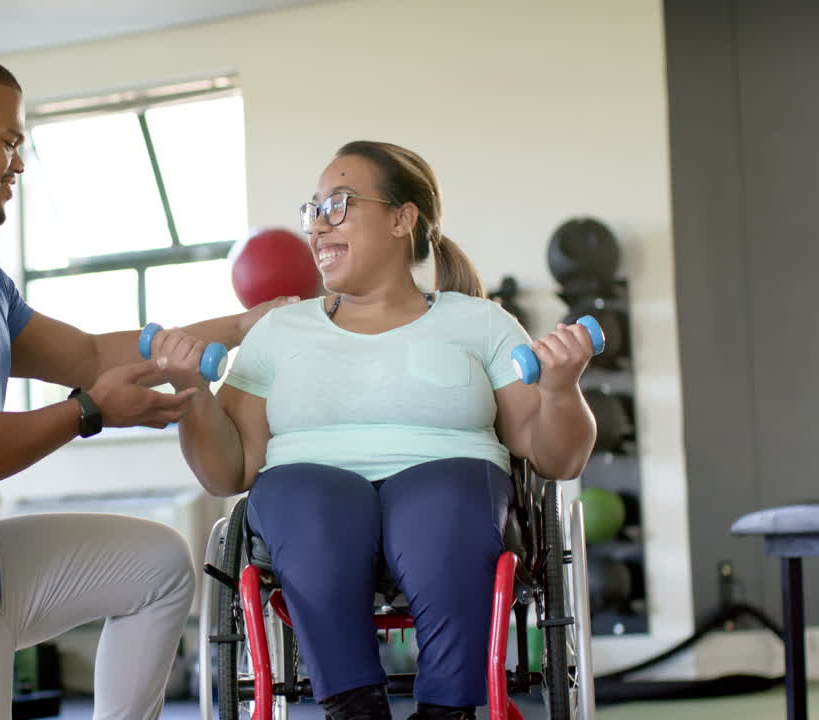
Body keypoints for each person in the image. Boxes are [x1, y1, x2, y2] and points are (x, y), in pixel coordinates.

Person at [0, 50, 289, 720]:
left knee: (156, 566)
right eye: (7, 141)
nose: (20, 163)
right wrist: (89, 413)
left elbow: (92, 353)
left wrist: (243, 326)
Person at [149, 141, 597, 720]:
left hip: (451, 490)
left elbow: (555, 458)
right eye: (312, 210)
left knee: (442, 502)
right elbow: (227, 470)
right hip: (307, 497)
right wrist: (193, 397)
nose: (318, 226)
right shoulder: (279, 331)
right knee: (311, 499)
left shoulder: (480, 322)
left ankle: (447, 710)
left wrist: (561, 389)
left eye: (338, 204)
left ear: (401, 218)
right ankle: (354, 709)